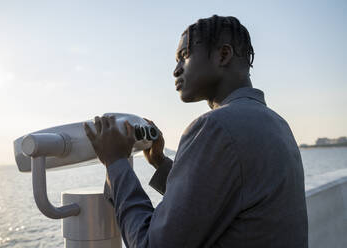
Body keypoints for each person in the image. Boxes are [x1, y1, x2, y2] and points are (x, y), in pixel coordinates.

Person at [84, 15, 308, 248]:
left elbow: (152, 244)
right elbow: (220, 197)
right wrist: (160, 163)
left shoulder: (216, 127)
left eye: (184, 56)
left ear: (223, 55)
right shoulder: (276, 123)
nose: (175, 70)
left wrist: (116, 162)